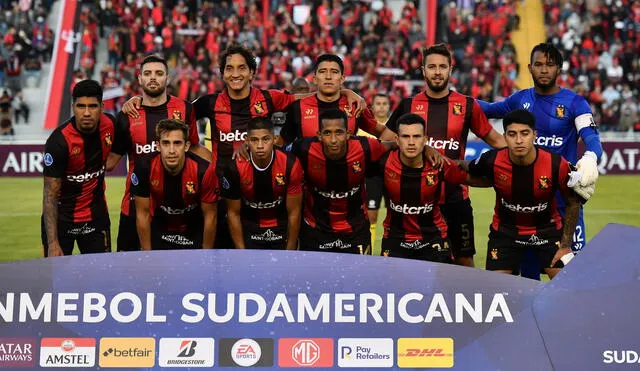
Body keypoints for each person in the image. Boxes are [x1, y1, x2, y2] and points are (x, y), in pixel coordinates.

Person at [122, 45, 365, 249]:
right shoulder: (210, 103)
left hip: (259, 195)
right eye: (229, 68)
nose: (235, 73)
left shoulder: (268, 99)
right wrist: (139, 101)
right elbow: (173, 108)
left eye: (241, 68)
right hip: (218, 193)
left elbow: (307, 98)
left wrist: (343, 91)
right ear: (222, 74)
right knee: (221, 260)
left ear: (251, 72)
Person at [477, 43, 601, 279]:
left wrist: (591, 157)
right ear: (530, 68)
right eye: (539, 64)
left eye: (550, 65)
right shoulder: (520, 99)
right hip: (527, 208)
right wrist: (456, 100)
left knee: (572, 277)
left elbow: (591, 137)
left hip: (565, 205)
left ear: (559, 69)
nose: (544, 70)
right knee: (528, 280)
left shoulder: (575, 103)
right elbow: (490, 109)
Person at [386, 43, 507, 267]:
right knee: (410, 269)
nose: (438, 71)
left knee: (463, 264)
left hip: (455, 200)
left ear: (451, 69)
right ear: (423, 71)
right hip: (415, 203)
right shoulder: (408, 105)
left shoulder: (467, 105)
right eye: (432, 66)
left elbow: (497, 142)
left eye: (443, 66)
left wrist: (534, 156)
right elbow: (385, 142)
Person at [286, 109, 442, 254]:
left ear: (348, 134)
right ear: (319, 135)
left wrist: (426, 148)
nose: (333, 139)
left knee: (358, 283)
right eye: (327, 133)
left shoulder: (365, 146)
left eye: (339, 132)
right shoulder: (303, 148)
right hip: (315, 232)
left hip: (355, 232)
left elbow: (397, 144)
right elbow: (276, 152)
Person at [107, 54, 209, 252]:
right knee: (131, 274)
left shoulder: (184, 109)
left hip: (178, 209)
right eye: (148, 73)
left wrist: (219, 169)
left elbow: (194, 148)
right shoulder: (127, 114)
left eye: (159, 73)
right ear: (140, 78)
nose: (153, 77)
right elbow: (111, 161)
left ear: (167, 78)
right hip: (135, 206)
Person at [466, 109, 582, 279]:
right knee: (494, 292)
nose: (519, 140)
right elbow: (462, 167)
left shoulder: (556, 164)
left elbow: (573, 202)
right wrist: (432, 157)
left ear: (534, 135)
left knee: (568, 288)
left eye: (524, 133)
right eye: (512, 134)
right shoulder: (491, 160)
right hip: (505, 234)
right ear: (505, 136)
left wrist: (565, 245)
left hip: (547, 232)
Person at [380, 113, 487, 262]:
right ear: (397, 140)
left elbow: (470, 179)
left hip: (433, 240)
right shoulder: (383, 161)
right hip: (395, 239)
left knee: (439, 284)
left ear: (425, 140)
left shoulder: (439, 164)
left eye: (417, 137)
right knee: (394, 285)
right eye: (405, 137)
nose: (411, 142)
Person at [42, 80, 119, 257]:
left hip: (96, 217)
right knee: (57, 282)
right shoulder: (59, 142)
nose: (86, 113)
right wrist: (53, 243)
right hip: (62, 221)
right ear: (73, 107)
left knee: (101, 280)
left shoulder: (111, 125)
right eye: (80, 106)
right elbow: (50, 194)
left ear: (102, 106)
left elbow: (121, 147)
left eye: (92, 106)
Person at [131, 119, 218, 250]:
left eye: (177, 143)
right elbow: (142, 214)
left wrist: (206, 254)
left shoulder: (204, 171)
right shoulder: (144, 168)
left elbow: (210, 216)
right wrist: (147, 255)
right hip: (160, 228)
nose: (172, 150)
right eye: (166, 143)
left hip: (193, 230)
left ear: (187, 146)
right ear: (158, 146)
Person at [221, 117, 303, 250]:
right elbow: (233, 213)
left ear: (274, 139)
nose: (260, 145)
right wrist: (241, 251)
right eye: (254, 140)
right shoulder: (234, 167)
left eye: (266, 139)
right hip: (249, 227)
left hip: (281, 227)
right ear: (247, 141)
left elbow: (294, 212)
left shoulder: (291, 164)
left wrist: (291, 248)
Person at [279, 54, 395, 144]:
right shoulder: (298, 107)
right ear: (314, 79)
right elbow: (282, 144)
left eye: (334, 72)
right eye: (323, 72)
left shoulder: (354, 105)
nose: (328, 77)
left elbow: (383, 132)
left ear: (342, 79)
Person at [359, 93, 391, 250]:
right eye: (378, 103)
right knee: (371, 216)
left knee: (396, 215)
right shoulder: (363, 128)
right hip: (371, 177)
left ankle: (391, 251)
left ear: (389, 106)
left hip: (392, 175)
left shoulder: (393, 127)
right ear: (372, 107)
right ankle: (369, 253)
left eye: (384, 103)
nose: (381, 106)